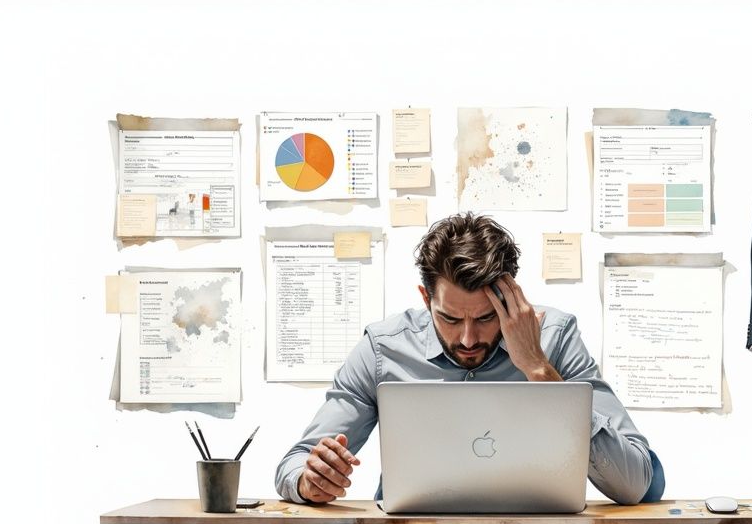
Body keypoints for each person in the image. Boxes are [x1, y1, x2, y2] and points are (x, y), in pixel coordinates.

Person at [274, 212, 663, 505]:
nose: (467, 338)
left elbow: (636, 483)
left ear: (512, 299)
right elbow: (293, 465)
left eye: (485, 317)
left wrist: (540, 371)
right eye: (449, 317)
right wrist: (311, 482)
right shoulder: (382, 349)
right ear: (426, 299)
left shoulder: (555, 338)